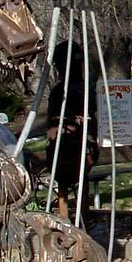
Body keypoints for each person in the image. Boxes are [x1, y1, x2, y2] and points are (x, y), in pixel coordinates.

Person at [46, 40, 98, 220]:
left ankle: (81, 214)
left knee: (81, 176)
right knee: (63, 177)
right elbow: (52, 121)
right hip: (63, 143)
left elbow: (91, 115)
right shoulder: (59, 92)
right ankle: (65, 215)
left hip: (81, 143)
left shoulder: (85, 90)